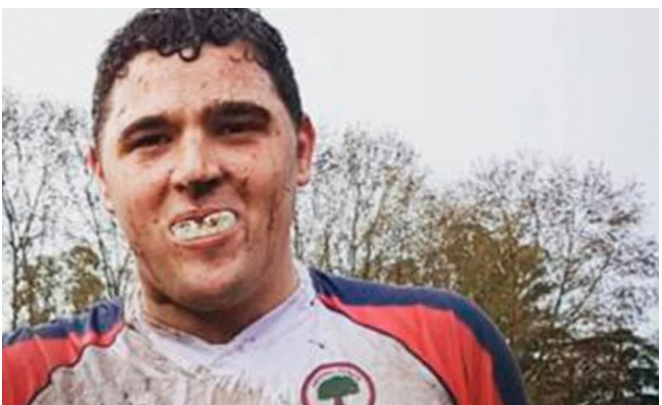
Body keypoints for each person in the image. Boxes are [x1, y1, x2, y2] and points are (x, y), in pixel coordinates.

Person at [3, 9, 529, 405]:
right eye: (151, 139)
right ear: (101, 177)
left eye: (235, 127)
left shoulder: (445, 345)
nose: (195, 169)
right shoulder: (22, 378)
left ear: (301, 150)